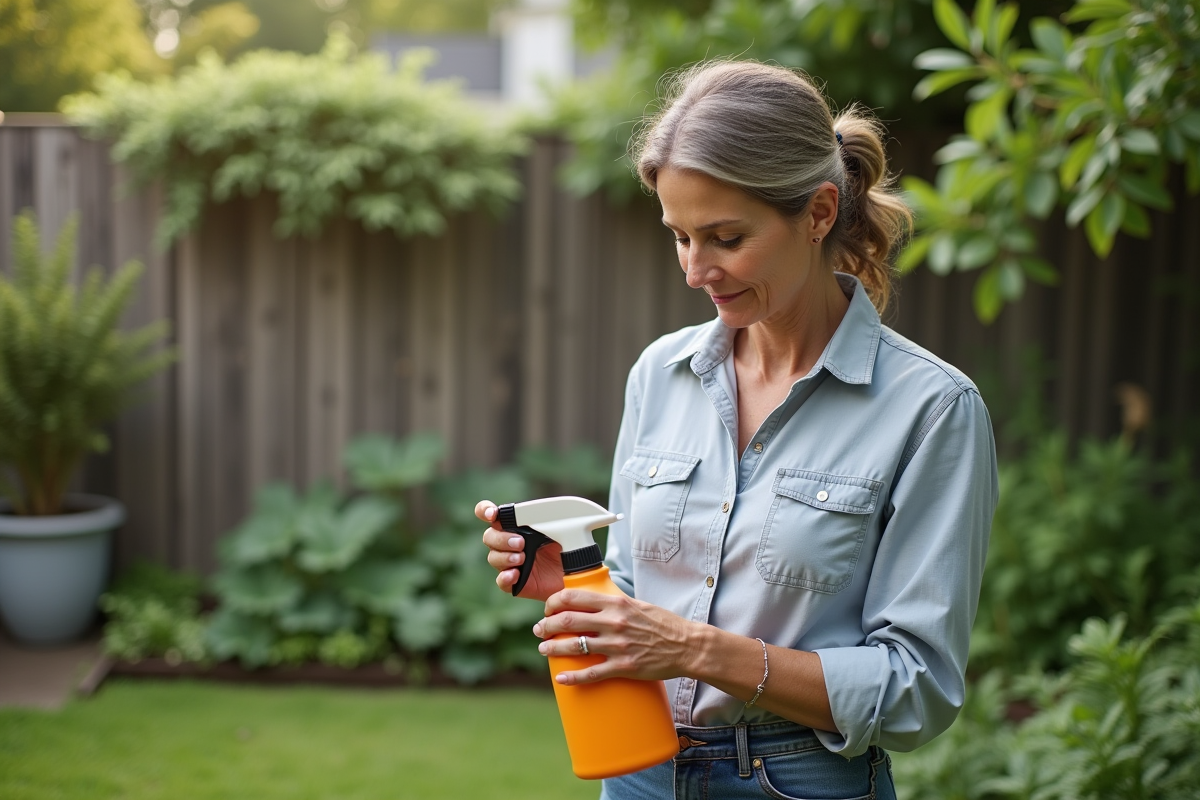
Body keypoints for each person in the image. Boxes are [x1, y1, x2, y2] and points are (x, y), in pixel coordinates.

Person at [478, 60, 998, 800]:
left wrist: (694, 649)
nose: (695, 270)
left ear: (818, 214)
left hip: (802, 781)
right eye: (680, 237)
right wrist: (579, 584)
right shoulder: (662, 373)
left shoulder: (931, 409)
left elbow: (915, 690)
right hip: (641, 773)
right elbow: (638, 590)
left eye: (724, 237)